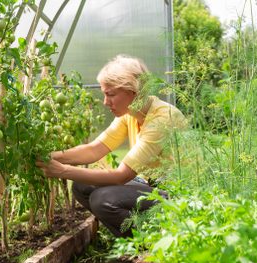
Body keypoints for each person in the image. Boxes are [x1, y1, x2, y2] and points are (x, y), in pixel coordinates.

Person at [36, 55, 186, 237]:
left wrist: (62, 171)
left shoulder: (162, 118)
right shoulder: (130, 114)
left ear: (134, 91)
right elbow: (95, 149)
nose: (106, 102)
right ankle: (137, 239)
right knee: (82, 186)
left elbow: (121, 176)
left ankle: (154, 243)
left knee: (103, 200)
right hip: (150, 186)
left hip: (179, 197)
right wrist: (48, 156)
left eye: (110, 94)